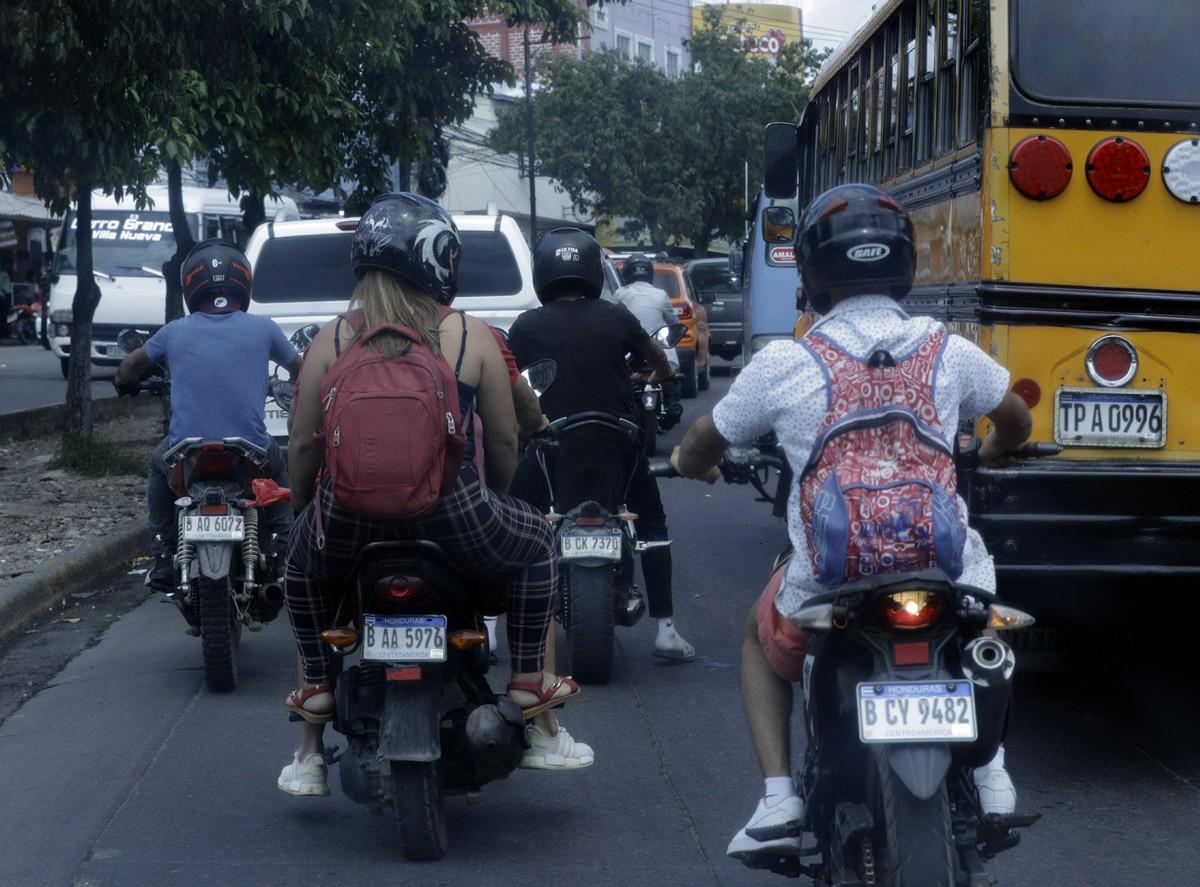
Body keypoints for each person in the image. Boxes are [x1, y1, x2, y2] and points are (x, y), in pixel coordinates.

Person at [669, 184, 1034, 859]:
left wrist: (694, 465)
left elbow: (699, 445)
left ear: (810, 275)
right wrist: (990, 448)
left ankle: (779, 796)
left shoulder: (785, 361)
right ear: (905, 264)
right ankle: (990, 771)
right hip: (948, 570)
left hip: (830, 583)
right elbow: (1015, 418)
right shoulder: (946, 349)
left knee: (757, 637)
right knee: (986, 627)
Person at [278, 193, 588, 796]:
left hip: (348, 519)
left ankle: (316, 690)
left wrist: (302, 510)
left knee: (298, 569)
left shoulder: (332, 340)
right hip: (453, 512)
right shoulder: (469, 335)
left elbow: (301, 448)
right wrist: (492, 502)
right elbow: (502, 439)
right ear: (439, 259)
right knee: (540, 543)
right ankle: (528, 681)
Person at [506, 228, 695, 661]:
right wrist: (665, 380)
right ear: (592, 270)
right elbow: (656, 358)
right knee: (651, 521)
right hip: (618, 445)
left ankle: (495, 628)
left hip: (552, 447)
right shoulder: (615, 316)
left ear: (543, 273)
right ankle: (665, 629)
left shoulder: (527, 325)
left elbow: (509, 378)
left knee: (510, 522)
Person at [114, 240, 300, 598]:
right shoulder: (264, 329)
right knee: (280, 470)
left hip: (188, 454)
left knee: (157, 468)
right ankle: (280, 552)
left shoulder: (175, 331)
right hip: (250, 452)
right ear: (242, 282)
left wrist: (124, 381)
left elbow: (131, 365)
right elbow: (301, 368)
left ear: (191, 284)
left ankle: (164, 555)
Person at [612, 253, 683, 429]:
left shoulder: (620, 294)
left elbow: (611, 320)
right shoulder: (660, 294)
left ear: (627, 273)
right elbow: (674, 322)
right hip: (657, 346)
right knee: (672, 371)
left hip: (628, 349)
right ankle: (673, 404)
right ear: (649, 273)